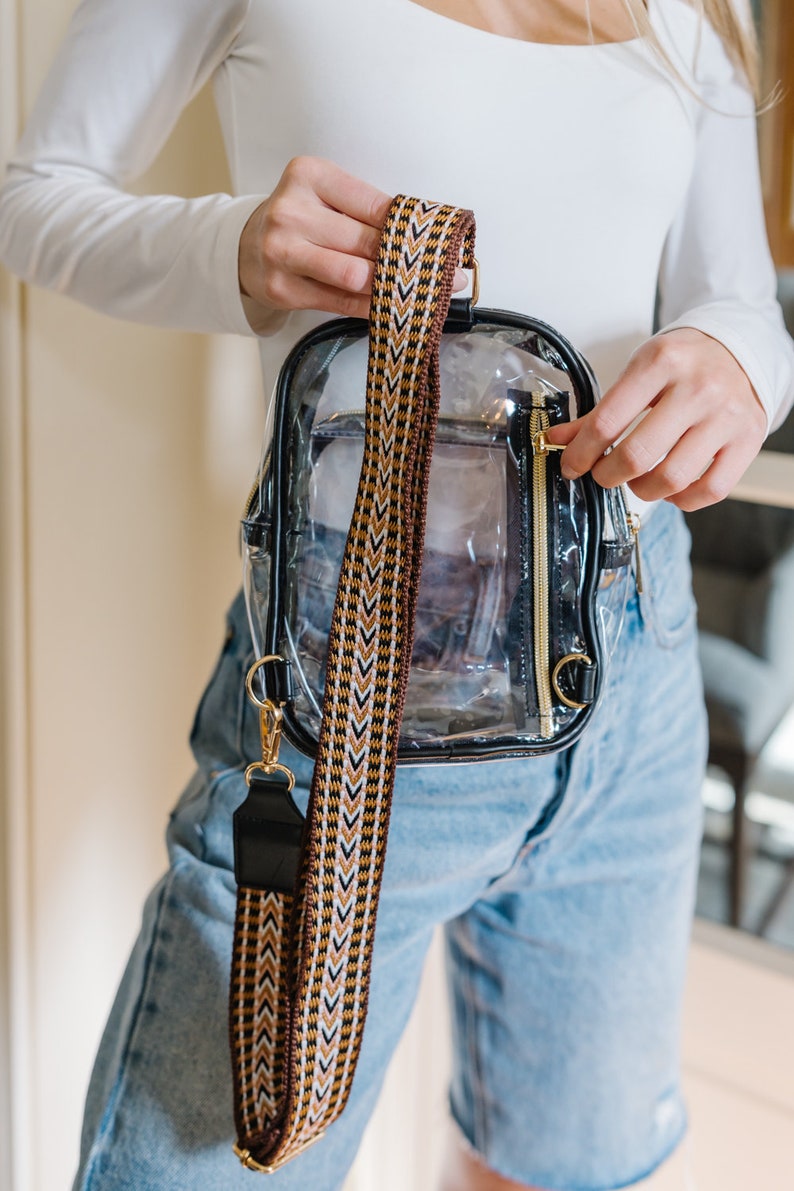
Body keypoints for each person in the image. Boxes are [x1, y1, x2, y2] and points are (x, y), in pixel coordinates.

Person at [1, 1, 792, 1188]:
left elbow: (733, 296)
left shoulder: (702, 9)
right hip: (353, 678)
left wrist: (737, 363)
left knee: (568, 1172)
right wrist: (235, 252)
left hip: (634, 657)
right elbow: (30, 196)